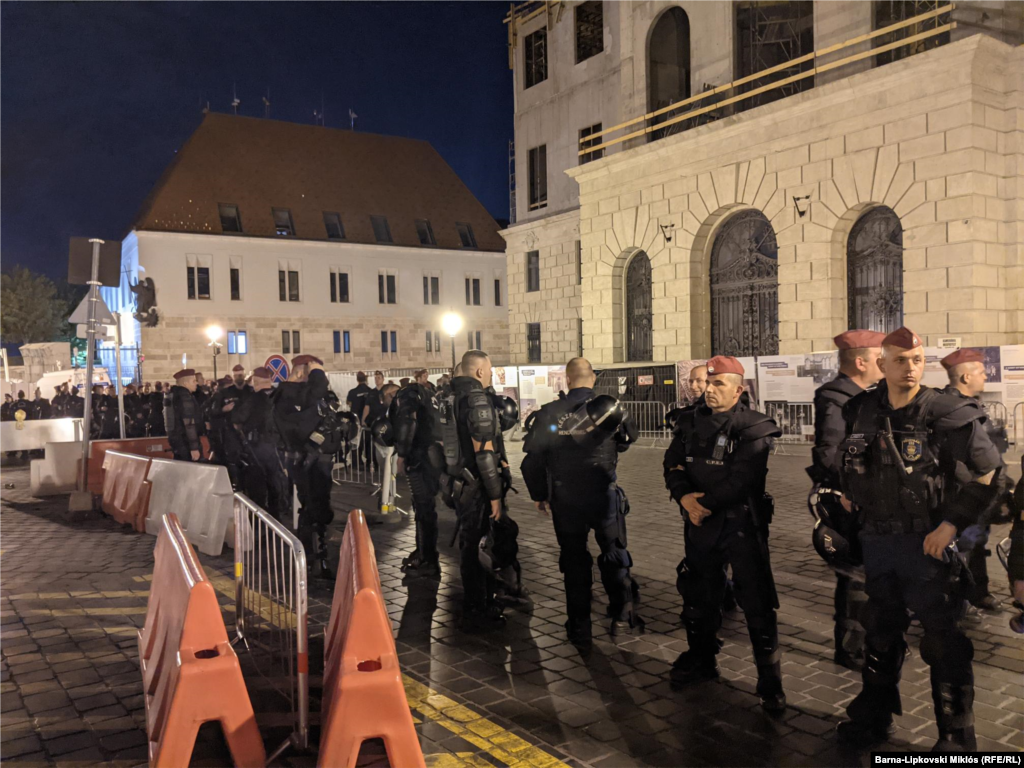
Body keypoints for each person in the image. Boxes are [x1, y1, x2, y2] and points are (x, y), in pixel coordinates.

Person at [835, 327, 1002, 752]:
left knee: (943, 642)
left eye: (918, 360)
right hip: (878, 542)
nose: (911, 368)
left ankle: (956, 740)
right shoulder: (862, 409)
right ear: (882, 364)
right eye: (901, 360)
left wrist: (950, 526)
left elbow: (988, 473)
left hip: (929, 545)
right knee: (880, 631)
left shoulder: (947, 410)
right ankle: (874, 716)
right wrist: (848, 495)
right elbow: (851, 462)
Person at [663, 356, 786, 713]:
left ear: (738, 389)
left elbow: (743, 479)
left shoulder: (755, 427)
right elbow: (672, 464)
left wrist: (702, 505)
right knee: (698, 596)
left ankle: (770, 683)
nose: (710, 390)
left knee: (757, 604)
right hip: (700, 525)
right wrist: (684, 497)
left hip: (739, 527)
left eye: (719, 384)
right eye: (708, 382)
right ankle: (702, 659)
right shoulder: (687, 423)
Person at [521, 357, 642, 647]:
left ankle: (579, 624)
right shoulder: (610, 408)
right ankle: (622, 615)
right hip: (604, 495)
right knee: (614, 554)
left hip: (565, 499)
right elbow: (628, 439)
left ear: (567, 379)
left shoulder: (549, 412)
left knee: (574, 561)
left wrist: (539, 495)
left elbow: (531, 461)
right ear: (593, 379)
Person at [806, 330, 886, 670]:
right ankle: (852, 647)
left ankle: (872, 641)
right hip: (851, 502)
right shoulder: (838, 397)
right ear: (861, 362)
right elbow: (830, 454)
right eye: (880, 359)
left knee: (873, 575)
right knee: (856, 577)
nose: (884, 366)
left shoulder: (867, 395)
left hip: (871, 500)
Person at [439, 350, 520, 631]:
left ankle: (486, 596)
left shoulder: (447, 397)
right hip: (476, 485)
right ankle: (478, 605)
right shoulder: (476, 399)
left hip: (456, 481)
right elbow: (484, 453)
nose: (490, 373)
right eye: (489, 368)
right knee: (474, 545)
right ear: (478, 372)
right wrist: (496, 495)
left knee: (470, 543)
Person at [940, 348, 1010, 611]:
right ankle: (954, 601)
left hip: (981, 491)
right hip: (962, 493)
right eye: (980, 371)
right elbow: (953, 459)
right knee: (960, 547)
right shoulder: (950, 410)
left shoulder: (971, 405)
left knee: (977, 544)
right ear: (966, 377)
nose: (985, 376)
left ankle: (977, 592)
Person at [275, 354, 340, 579]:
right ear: (302, 372)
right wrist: (317, 373)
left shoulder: (300, 395)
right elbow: (313, 397)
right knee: (314, 508)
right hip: (306, 460)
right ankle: (313, 559)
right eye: (311, 371)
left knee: (315, 508)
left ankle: (313, 556)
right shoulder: (289, 394)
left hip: (314, 459)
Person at [390, 371, 443, 578]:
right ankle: (424, 551)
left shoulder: (406, 396)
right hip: (432, 456)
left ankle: (427, 557)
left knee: (423, 509)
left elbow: (407, 422)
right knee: (424, 507)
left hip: (420, 457)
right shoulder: (428, 395)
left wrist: (401, 454)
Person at [233, 367, 289, 522]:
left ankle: (260, 521)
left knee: (258, 484)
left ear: (256, 381)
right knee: (275, 481)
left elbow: (237, 419)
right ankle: (277, 516)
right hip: (279, 446)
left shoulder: (253, 399)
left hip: (257, 447)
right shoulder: (281, 397)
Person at [208, 366, 249, 488]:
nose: (238, 378)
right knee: (234, 460)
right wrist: (223, 410)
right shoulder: (225, 393)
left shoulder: (250, 391)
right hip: (231, 432)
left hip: (248, 431)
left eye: (240, 375)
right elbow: (212, 411)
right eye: (236, 376)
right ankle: (236, 485)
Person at [164, 369, 203, 462]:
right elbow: (189, 423)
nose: (196, 383)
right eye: (194, 381)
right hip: (185, 442)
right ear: (185, 383)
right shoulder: (184, 397)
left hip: (176, 441)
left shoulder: (172, 395)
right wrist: (194, 447)